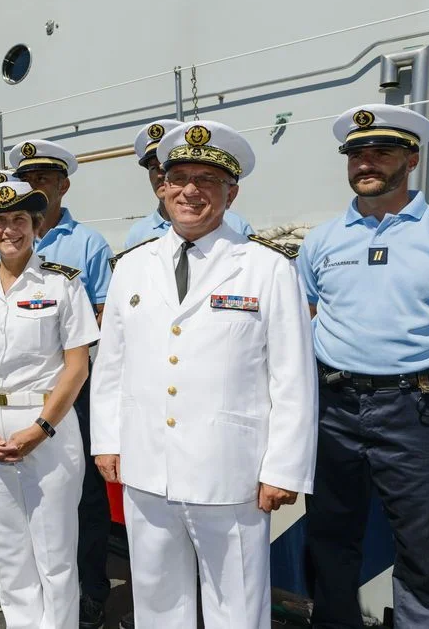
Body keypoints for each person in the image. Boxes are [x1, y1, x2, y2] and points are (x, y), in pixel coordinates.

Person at [91, 120, 318, 627]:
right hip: (147, 468)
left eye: (208, 180)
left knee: (236, 605)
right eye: (180, 178)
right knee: (155, 600)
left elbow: (293, 380)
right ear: (163, 186)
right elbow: (112, 365)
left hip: (230, 474)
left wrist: (282, 470)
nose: (191, 190)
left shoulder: (267, 269)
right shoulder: (131, 266)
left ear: (231, 192)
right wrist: (107, 441)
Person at [298, 104, 429, 628]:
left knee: (426, 549)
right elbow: (307, 315)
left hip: (419, 409)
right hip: (333, 407)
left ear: (411, 159)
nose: (367, 162)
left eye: (382, 151)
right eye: (357, 153)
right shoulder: (321, 241)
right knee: (328, 539)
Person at [0, 178, 99, 627]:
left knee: (54, 551)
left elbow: (77, 368)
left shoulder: (63, 285)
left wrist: (39, 430)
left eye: (18, 220)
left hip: (47, 427)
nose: (8, 229)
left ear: (36, 227)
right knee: (10, 549)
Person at [3, 139, 113, 627]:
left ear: (63, 185)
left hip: (70, 391)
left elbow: (105, 320)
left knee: (81, 496)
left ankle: (89, 589)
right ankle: (32, 596)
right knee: (15, 493)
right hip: (8, 392)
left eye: (45, 179)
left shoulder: (88, 244)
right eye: (27, 180)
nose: (35, 188)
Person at [123, 120, 254, 248]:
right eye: (153, 168)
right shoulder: (137, 238)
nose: (189, 190)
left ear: (231, 194)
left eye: (205, 179)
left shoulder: (236, 226)